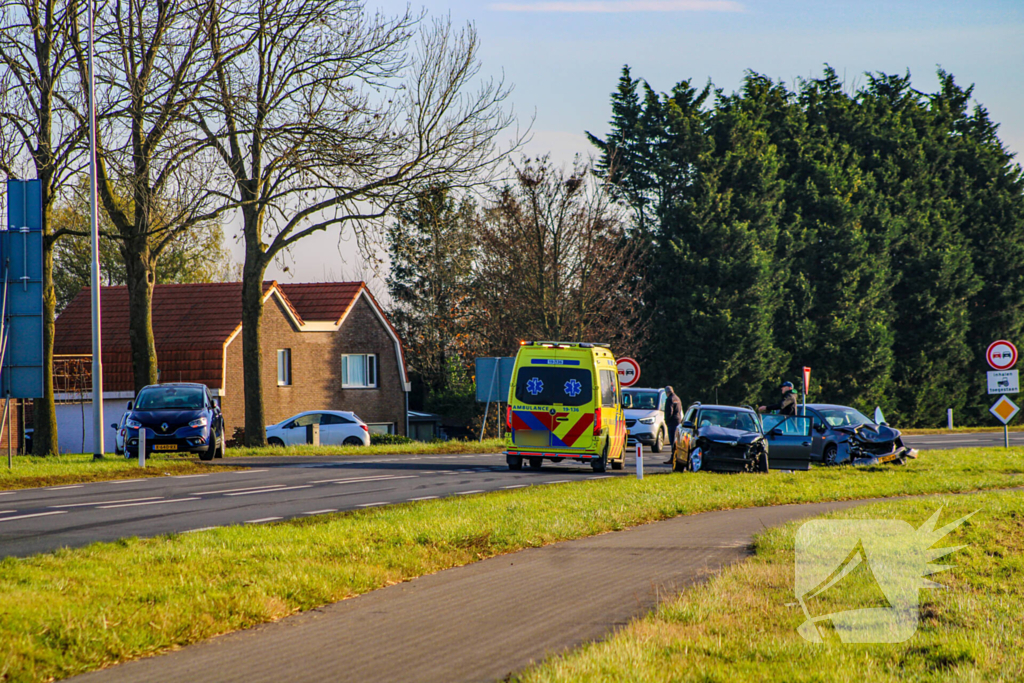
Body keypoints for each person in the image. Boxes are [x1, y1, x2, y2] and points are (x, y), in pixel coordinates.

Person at [663, 386, 683, 464]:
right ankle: (676, 457)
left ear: (667, 392)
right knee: (676, 441)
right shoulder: (677, 398)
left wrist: (667, 420)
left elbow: (669, 412)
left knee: (672, 442)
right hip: (678, 421)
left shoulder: (669, 399)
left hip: (672, 423)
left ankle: (673, 458)